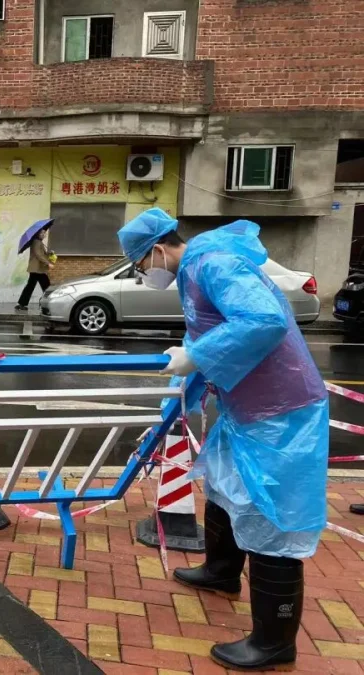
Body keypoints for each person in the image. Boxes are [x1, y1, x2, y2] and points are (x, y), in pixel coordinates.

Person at [118, 208, 328, 672]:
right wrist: (185, 381)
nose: (142, 273)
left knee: (272, 519)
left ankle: (275, 642)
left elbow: (263, 321)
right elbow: (209, 332)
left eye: (140, 264)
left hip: (282, 414)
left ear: (157, 250)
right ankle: (221, 572)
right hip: (248, 407)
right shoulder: (196, 269)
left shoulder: (212, 263)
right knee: (224, 487)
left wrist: (196, 355)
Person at [15, 225, 55, 310]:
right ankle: (48, 304)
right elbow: (38, 254)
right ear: (38, 234)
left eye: (44, 233)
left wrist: (49, 253)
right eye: (42, 233)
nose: (44, 234)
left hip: (36, 269)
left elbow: (42, 254)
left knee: (31, 286)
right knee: (46, 286)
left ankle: (22, 304)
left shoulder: (38, 242)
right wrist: (48, 263)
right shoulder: (36, 242)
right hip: (37, 269)